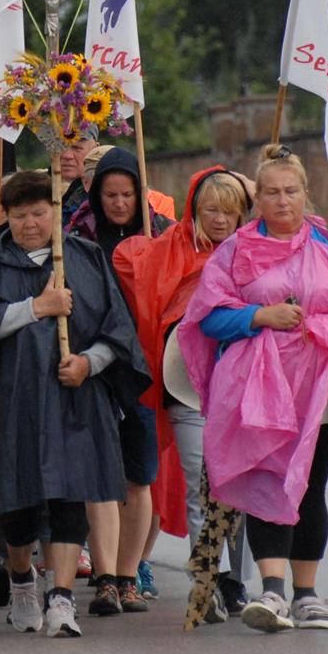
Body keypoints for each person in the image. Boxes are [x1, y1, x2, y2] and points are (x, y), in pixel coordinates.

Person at [181, 145, 328, 633]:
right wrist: (259, 315)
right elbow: (208, 317)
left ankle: (307, 595)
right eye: (272, 192)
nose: (282, 201)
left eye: (291, 191)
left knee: (311, 485)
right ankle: (272, 591)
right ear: (257, 198)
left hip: (325, 384)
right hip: (258, 385)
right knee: (267, 479)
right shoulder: (236, 250)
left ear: (305, 194)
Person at [0, 169, 148, 640]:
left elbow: (118, 329)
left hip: (75, 399)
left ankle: (61, 596)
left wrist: (89, 362)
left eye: (39, 214)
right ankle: (23, 579)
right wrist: (37, 308)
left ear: (55, 214)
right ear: (5, 216)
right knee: (16, 507)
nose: (30, 224)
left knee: (70, 495)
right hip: (12, 402)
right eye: (19, 215)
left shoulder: (85, 258)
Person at [112, 166, 254, 611]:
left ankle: (237, 580)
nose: (220, 219)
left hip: (243, 387)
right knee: (199, 484)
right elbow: (126, 261)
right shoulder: (170, 249)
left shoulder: (256, 254)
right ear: (194, 210)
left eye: (229, 211)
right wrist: (148, 247)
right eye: (211, 209)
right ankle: (207, 578)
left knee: (241, 486)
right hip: (185, 384)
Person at [66, 146, 175, 616]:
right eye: (109, 194)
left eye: (127, 194)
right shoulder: (78, 239)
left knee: (139, 475)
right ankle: (105, 576)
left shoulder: (162, 235)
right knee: (99, 475)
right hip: (97, 369)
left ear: (139, 192)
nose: (118, 203)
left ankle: (130, 574)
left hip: (144, 371)